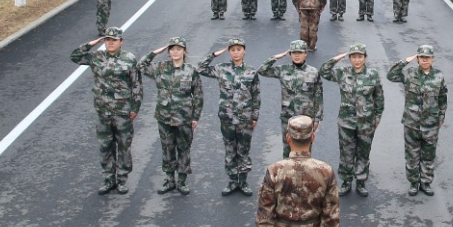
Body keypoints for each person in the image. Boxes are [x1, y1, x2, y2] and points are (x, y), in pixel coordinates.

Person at [70, 27, 142, 195]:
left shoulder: (129, 59)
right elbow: (75, 57)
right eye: (107, 40)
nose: (110, 43)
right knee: (105, 146)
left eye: (114, 40)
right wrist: (91, 44)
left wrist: (135, 108)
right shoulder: (97, 57)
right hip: (103, 111)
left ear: (121, 42)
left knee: (123, 146)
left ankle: (122, 179)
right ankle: (108, 179)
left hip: (122, 111)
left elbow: (137, 86)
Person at [137, 36, 204, 195]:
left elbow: (198, 95)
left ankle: (181, 181)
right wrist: (155, 52)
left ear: (184, 51)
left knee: (183, 149)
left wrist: (195, 117)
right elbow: (140, 65)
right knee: (167, 149)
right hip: (164, 116)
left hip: (184, 117)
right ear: (168, 52)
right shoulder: (160, 68)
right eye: (172, 49)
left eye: (178, 49)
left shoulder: (191, 70)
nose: (175, 52)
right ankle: (169, 180)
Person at [319, 44, 385, 196]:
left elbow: (379, 98)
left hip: (366, 123)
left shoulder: (373, 74)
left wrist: (377, 118)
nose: (357, 60)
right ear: (349, 58)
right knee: (346, 153)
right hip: (346, 122)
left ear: (365, 58)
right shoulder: (343, 73)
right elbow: (324, 71)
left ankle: (361, 181)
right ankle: (346, 181)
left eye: (360, 57)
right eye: (353, 57)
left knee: (363, 153)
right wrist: (338, 57)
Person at [200, 37, 262, 195]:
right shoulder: (221, 68)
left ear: (244, 51)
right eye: (233, 50)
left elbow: (256, 95)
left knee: (244, 150)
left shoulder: (251, 71)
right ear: (229, 52)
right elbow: (200, 68)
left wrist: (255, 117)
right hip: (227, 117)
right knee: (229, 149)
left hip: (245, 118)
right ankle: (233, 181)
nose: (236, 53)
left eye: (239, 49)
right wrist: (213, 55)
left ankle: (243, 181)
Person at [388, 44, 448, 196]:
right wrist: (405, 61)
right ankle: (414, 183)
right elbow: (391, 75)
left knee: (428, 155)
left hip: (431, 124)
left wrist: (441, 116)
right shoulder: (409, 74)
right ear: (418, 59)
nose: (425, 60)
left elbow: (442, 98)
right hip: (412, 123)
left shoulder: (439, 76)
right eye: (422, 57)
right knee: (412, 155)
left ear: (433, 59)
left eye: (428, 57)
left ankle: (426, 183)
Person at [259, 40, 326, 157]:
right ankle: (288, 169)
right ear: (290, 54)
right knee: (287, 148)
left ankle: (304, 169)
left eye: (300, 52)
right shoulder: (283, 70)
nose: (297, 55)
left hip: (306, 118)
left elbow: (318, 95)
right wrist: (275, 57)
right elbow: (262, 70)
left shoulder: (313, 72)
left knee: (306, 150)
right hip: (287, 117)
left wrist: (317, 119)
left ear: (305, 53)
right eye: (294, 52)